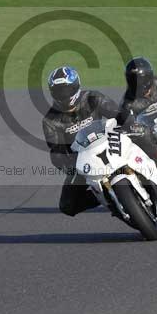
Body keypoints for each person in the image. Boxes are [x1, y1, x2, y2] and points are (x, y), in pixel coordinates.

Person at [41, 66, 122, 217]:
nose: (63, 95)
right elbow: (57, 152)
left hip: (111, 144)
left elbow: (118, 115)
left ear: (76, 86)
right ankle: (103, 197)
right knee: (67, 206)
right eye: (59, 91)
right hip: (83, 161)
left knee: (142, 134)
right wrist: (69, 166)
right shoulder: (50, 120)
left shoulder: (92, 98)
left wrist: (128, 124)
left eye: (66, 90)